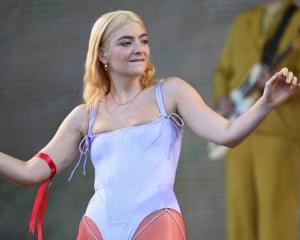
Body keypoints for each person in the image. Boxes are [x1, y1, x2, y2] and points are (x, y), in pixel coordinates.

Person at [0, 10, 298, 240]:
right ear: (102, 54)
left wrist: (266, 102)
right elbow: (30, 173)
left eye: (144, 40)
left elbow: (227, 134)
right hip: (96, 226)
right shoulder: (84, 115)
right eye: (126, 42)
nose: (139, 49)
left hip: (156, 221)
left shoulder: (170, 93)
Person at [213, 0, 300, 240]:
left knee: (276, 214)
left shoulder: (296, 21)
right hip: (237, 131)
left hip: (278, 132)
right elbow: (222, 70)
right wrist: (222, 99)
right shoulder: (244, 21)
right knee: (239, 213)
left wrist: (282, 83)